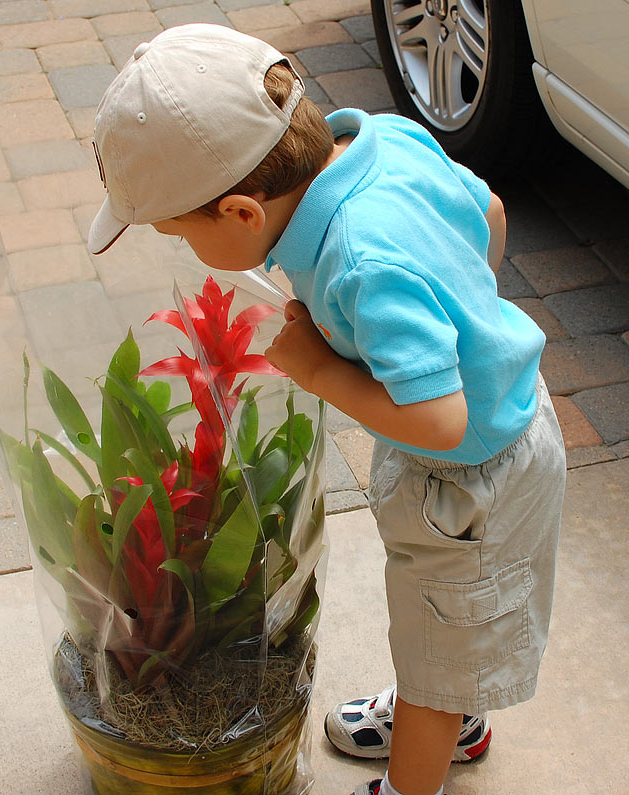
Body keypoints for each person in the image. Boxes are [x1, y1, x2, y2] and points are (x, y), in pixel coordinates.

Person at [87, 23, 566, 795]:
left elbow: (440, 420)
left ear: (244, 213)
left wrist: (317, 369)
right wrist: (464, 313)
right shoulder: (385, 141)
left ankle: (419, 769)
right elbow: (492, 213)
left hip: (469, 479)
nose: (184, 248)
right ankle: (454, 719)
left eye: (182, 234)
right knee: (448, 630)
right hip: (508, 418)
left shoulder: (358, 259)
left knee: (437, 656)